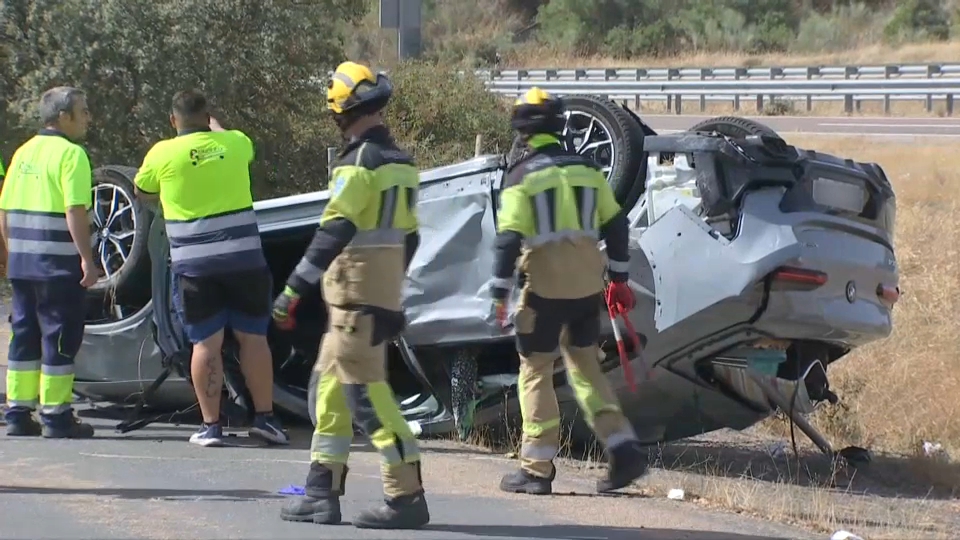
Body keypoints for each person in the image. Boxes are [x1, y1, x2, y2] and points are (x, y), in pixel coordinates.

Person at [272, 61, 428, 530]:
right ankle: (321, 492)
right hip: (370, 298)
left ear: (341, 112)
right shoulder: (401, 164)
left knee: (367, 398)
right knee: (329, 392)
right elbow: (411, 238)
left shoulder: (358, 164)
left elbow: (334, 230)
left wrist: (292, 288)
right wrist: (391, 290)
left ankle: (406, 495)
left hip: (356, 300)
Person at [490, 87, 648, 495]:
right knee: (586, 369)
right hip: (585, 291)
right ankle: (623, 448)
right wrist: (619, 279)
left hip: (543, 292)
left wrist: (498, 292)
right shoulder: (588, 171)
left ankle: (536, 469)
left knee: (535, 371)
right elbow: (617, 225)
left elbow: (508, 240)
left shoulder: (521, 176)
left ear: (522, 130)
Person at [132, 90, 288, 448]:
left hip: (196, 266)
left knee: (206, 344)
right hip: (245, 260)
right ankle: (265, 419)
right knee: (254, 338)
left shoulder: (162, 153)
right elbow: (232, 142)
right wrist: (216, 129)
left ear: (173, 120)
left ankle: (211, 426)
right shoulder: (234, 143)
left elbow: (142, 191)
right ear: (208, 117)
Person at [1, 86, 100, 438]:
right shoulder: (72, 155)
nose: (88, 118)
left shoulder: (23, 152)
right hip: (57, 263)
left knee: (24, 334)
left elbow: (4, 209)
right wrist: (87, 259)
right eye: (83, 111)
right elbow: (75, 210)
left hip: (23, 263)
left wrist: (9, 253)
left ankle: (18, 412)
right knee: (59, 335)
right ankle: (56, 416)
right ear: (63, 116)